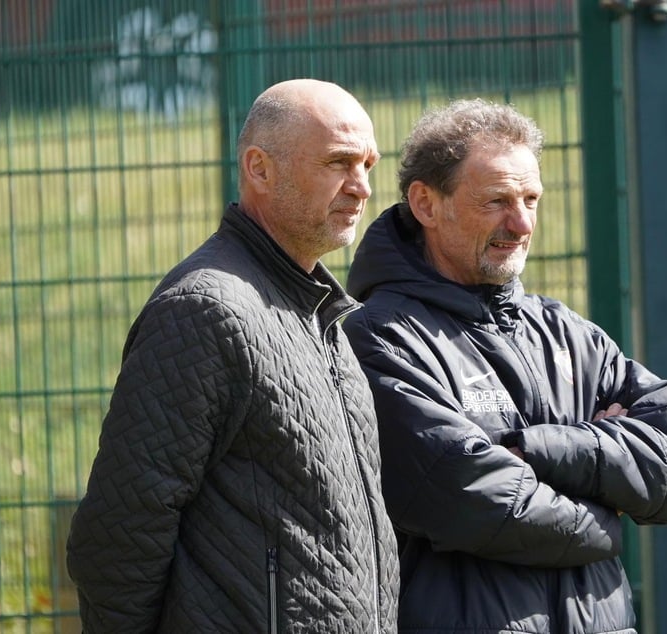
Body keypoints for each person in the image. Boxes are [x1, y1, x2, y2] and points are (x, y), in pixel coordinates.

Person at [341, 99, 667, 634]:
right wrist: (609, 513)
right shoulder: (381, 336)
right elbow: (474, 500)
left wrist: (536, 450)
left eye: (531, 199)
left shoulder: (567, 332)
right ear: (426, 204)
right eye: (497, 201)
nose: (522, 222)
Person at [66, 79, 399, 633]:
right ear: (259, 168)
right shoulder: (204, 311)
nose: (362, 186)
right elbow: (119, 535)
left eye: (368, 164)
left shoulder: (320, 313)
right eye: (339, 162)